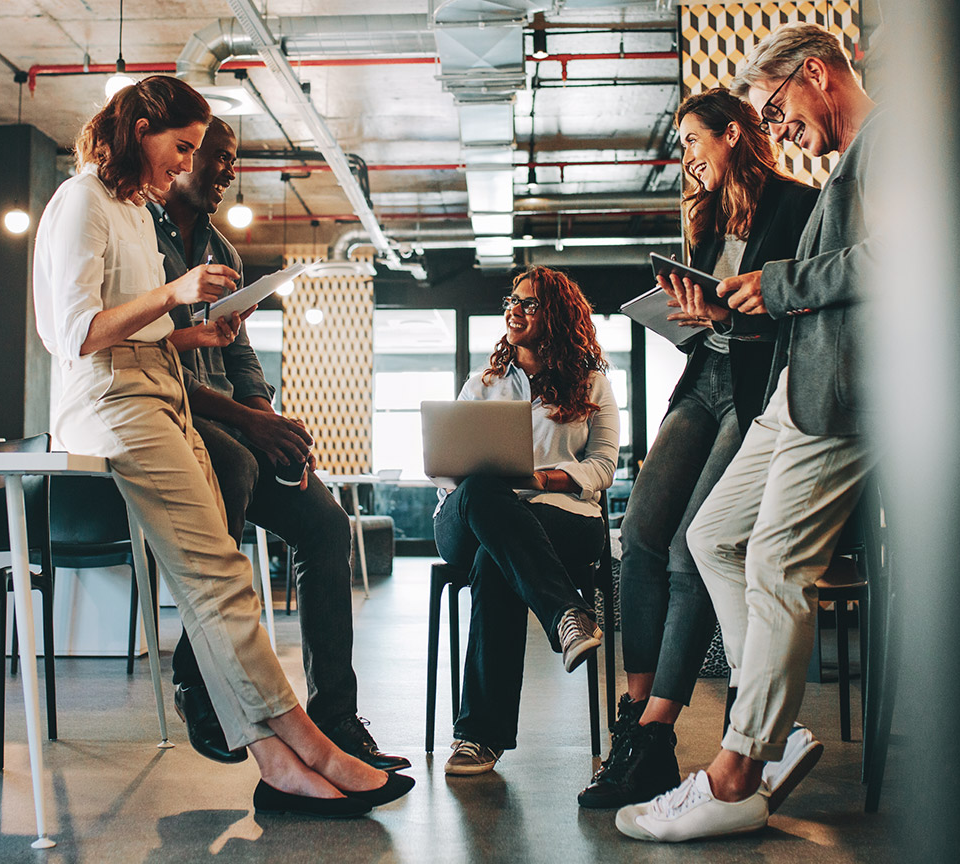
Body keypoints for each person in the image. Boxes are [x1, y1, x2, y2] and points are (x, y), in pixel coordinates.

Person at [33, 75, 411, 818]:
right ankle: (309, 744)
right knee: (220, 575)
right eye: (180, 148)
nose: (182, 165)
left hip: (159, 385)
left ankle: (276, 761)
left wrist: (192, 331)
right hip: (114, 401)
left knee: (220, 578)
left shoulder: (133, 209)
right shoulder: (81, 199)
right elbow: (71, 333)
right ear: (138, 125)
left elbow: (138, 325)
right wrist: (175, 297)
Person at [615, 23, 881, 842]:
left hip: (839, 393)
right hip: (794, 389)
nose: (779, 129)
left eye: (776, 108)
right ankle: (778, 726)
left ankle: (737, 770)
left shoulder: (889, 141)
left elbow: (899, 257)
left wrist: (780, 282)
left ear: (816, 74)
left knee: (772, 559)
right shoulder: (846, 164)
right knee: (713, 535)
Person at [579, 88, 819, 810]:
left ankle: (656, 734)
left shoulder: (797, 204)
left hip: (756, 387)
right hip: (704, 377)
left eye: (692, 140)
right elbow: (710, 311)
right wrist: (689, 314)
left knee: (692, 546)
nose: (684, 156)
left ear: (734, 134)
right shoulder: (707, 216)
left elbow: (800, 321)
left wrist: (724, 315)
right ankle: (635, 719)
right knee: (641, 535)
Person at [149, 117, 407, 772]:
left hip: (230, 418)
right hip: (173, 418)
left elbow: (243, 363)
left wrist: (270, 420)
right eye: (219, 159)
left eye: (233, 160)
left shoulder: (224, 255)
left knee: (325, 526)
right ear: (180, 157)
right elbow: (152, 363)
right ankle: (196, 676)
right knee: (233, 464)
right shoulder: (139, 239)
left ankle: (337, 721)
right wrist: (249, 424)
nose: (230, 171)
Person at [436, 266, 620, 777]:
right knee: (481, 492)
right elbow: (449, 464)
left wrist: (550, 479)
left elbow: (604, 466)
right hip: (467, 518)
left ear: (557, 316)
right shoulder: (484, 383)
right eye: (510, 301)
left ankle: (477, 740)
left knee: (499, 563)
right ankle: (567, 613)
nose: (513, 310)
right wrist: (485, 481)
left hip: (559, 517)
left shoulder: (592, 385)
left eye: (529, 303)